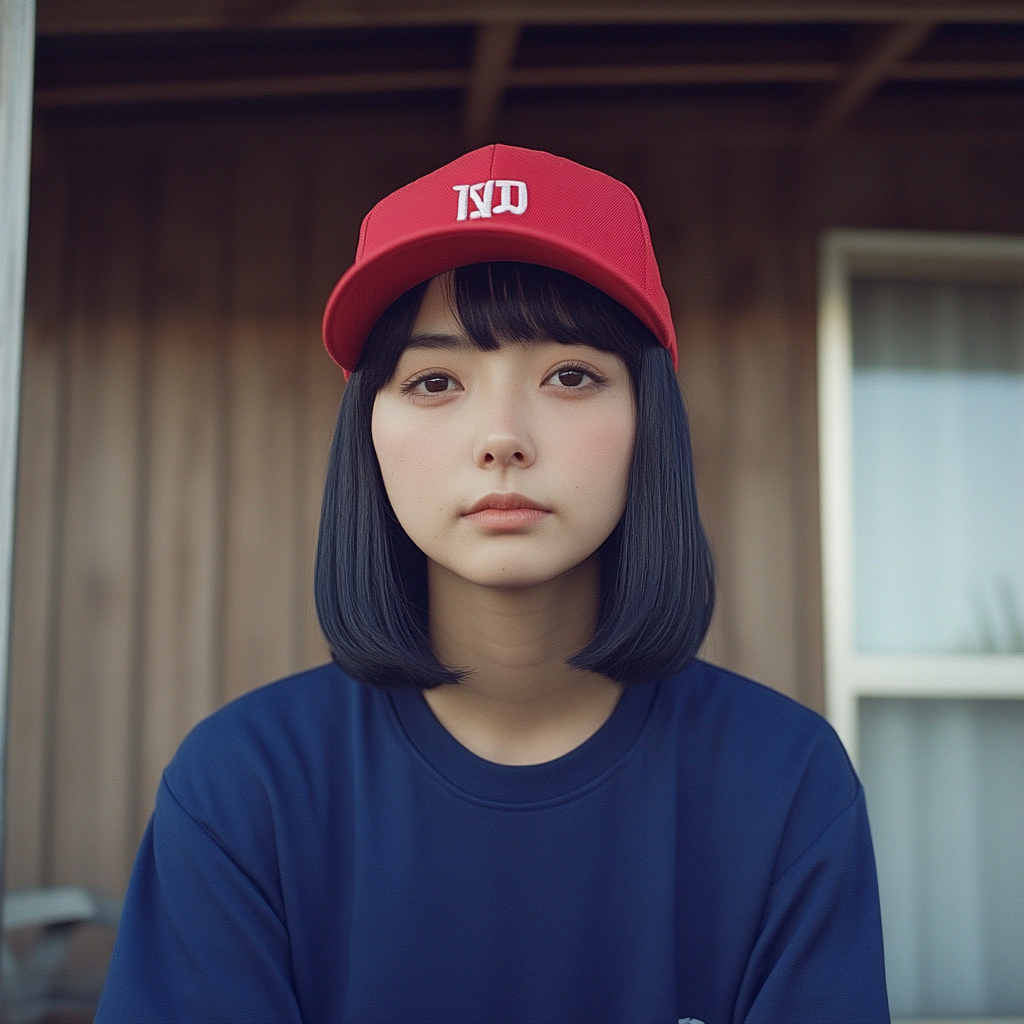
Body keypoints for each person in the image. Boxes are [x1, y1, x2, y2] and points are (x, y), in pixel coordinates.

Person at [96, 145, 889, 1023]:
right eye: (435, 380)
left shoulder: (783, 782)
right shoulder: (243, 789)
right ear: (367, 437)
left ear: (649, 422)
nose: (502, 436)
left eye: (571, 375)